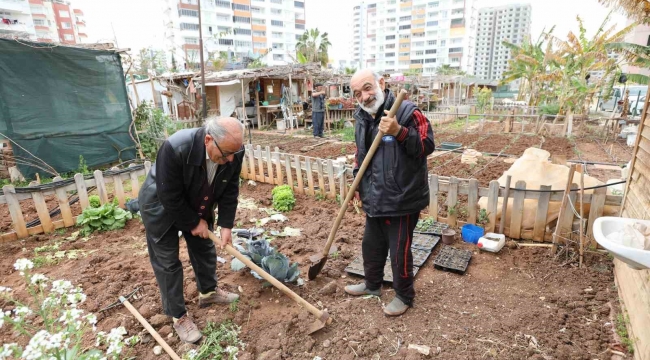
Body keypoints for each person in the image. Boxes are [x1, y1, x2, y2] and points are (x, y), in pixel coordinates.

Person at [139, 117, 244, 343]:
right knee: (168, 262)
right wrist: (194, 222)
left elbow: (230, 188)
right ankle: (178, 317)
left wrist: (226, 224)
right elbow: (169, 195)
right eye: (226, 154)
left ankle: (208, 292)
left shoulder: (233, 151)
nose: (231, 159)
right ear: (208, 140)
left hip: (198, 198)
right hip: (160, 205)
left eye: (234, 153)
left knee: (204, 248)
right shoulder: (176, 147)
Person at [344, 69, 435, 316]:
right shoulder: (362, 118)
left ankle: (404, 295)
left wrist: (398, 131)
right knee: (371, 245)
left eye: (367, 88)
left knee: (398, 251)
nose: (364, 97)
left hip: (402, 198)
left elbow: (427, 146)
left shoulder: (407, 112)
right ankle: (372, 285)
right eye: (357, 93)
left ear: (381, 83)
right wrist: (357, 182)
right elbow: (360, 155)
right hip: (374, 195)